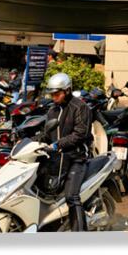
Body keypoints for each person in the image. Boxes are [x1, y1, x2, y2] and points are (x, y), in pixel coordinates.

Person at [45, 72, 92, 231]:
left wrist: (58, 144)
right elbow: (46, 132)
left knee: (71, 196)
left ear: (67, 90)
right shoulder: (52, 110)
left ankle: (79, 234)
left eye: (57, 94)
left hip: (76, 158)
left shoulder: (80, 107)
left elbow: (80, 134)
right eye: (52, 94)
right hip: (57, 159)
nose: (54, 97)